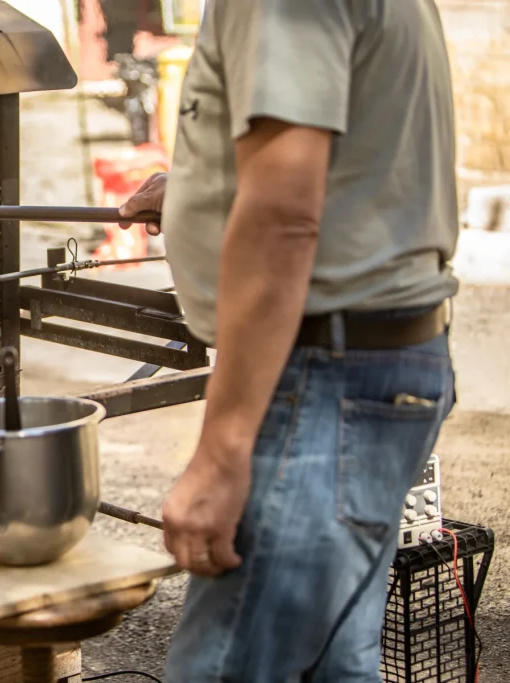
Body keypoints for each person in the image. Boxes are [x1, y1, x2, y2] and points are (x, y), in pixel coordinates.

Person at [118, 1, 459, 681]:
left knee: (227, 667)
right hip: (373, 365)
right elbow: (354, 148)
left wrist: (219, 458)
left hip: (324, 378)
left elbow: (281, 215)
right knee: (331, 665)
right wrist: (199, 193)